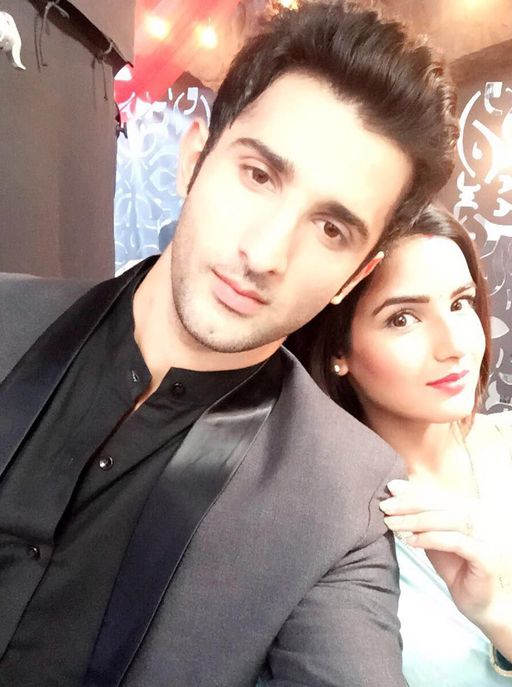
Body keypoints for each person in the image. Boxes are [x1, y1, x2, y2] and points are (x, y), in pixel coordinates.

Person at [0, 4, 457, 686]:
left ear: (353, 276)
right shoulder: (7, 315)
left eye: (331, 229)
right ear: (194, 160)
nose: (266, 253)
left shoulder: (341, 502)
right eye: (258, 175)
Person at [290, 206, 512, 686]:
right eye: (403, 318)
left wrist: (500, 616)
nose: (454, 345)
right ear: (338, 351)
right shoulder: (316, 526)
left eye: (461, 303)